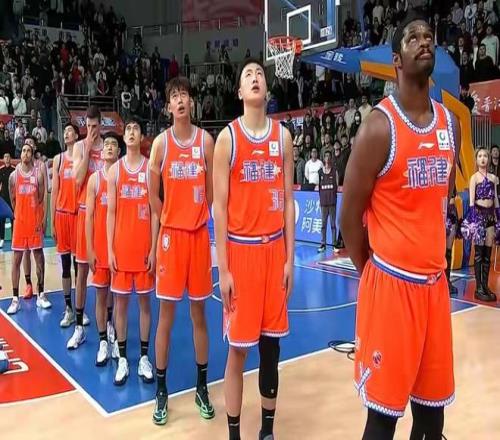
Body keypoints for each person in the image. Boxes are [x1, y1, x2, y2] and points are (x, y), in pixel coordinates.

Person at [341, 13, 459, 439]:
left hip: (434, 287)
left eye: (429, 36)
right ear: (396, 59)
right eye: (413, 38)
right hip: (391, 287)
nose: (424, 41)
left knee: (432, 418)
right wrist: (371, 273)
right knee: (383, 418)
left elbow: (442, 196)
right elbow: (348, 217)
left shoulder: (449, 123)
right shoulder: (378, 127)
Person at [213, 58, 295, 440]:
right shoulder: (228, 138)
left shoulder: (283, 138)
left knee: (271, 348)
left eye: (259, 73)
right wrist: (224, 269)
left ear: (267, 87)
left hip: (274, 251)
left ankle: (267, 432)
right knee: (238, 350)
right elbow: (219, 208)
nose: (255, 77)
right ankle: (234, 435)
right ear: (240, 92)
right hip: (242, 253)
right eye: (248, 75)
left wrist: (290, 260)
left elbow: (288, 199)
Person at [149, 77, 215, 424]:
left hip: (199, 237)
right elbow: (152, 193)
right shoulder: (161, 144)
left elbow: (212, 191)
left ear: (191, 102)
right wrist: (170, 220)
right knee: (166, 317)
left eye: (184, 95)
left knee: (199, 315)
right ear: (168, 106)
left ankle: (202, 387)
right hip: (172, 239)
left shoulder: (206, 141)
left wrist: (195, 215)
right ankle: (161, 392)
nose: (179, 100)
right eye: (174, 95)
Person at [107, 117, 154, 385]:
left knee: (145, 304)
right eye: (128, 129)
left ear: (142, 136)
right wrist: (110, 249)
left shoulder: (150, 169)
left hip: (144, 249)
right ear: (124, 138)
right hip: (122, 249)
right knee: (121, 305)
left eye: (136, 129)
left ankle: (144, 357)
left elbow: (155, 213)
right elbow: (111, 213)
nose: (132, 132)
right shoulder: (115, 171)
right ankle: (123, 358)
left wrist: (154, 247)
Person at [67, 106, 104, 349]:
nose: (91, 130)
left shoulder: (109, 146)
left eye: (94, 126)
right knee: (81, 272)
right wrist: (89, 148)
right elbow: (78, 179)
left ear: (100, 124)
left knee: (107, 273)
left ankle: (108, 326)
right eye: (88, 127)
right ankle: (79, 326)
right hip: (84, 213)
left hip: (105, 215)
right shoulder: (80, 147)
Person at [86, 132, 121, 366]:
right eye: (106, 144)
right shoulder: (95, 180)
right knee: (101, 295)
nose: (109, 147)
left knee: (118, 297)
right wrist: (89, 249)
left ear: (119, 151)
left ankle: (116, 338)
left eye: (113, 144)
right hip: (99, 248)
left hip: (120, 248)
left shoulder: (124, 178)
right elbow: (88, 217)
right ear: (101, 151)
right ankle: (102, 342)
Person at [7, 142, 48, 314]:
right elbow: (12, 199)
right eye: (23, 150)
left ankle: (41, 294)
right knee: (16, 260)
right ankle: (15, 298)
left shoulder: (38, 174)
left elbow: (40, 197)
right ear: (21, 154)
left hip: (34, 223)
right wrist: (20, 213)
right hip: (20, 223)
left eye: (28, 151)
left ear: (32, 155)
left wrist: (38, 218)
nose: (25, 153)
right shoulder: (13, 176)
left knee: (38, 257)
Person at [461, 148, 499, 302]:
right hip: (478, 215)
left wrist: (498, 215)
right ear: (476, 160)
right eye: (480, 156)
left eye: (485, 156)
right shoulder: (474, 178)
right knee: (479, 253)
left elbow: (495, 198)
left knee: (487, 254)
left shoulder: (493, 178)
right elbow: (471, 201)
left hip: (490, 216)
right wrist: (473, 220)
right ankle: (478, 288)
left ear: (488, 159)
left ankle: (485, 285)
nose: (483, 159)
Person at [51, 123, 80, 327]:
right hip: (62, 215)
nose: (67, 133)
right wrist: (52, 221)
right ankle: (68, 308)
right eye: (65, 131)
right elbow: (54, 191)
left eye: (70, 131)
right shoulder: (58, 159)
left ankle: (80, 309)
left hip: (78, 215)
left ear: (77, 136)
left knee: (79, 267)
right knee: (65, 265)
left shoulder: (81, 158)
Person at [20, 136, 48, 303]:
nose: (28, 147)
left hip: (37, 215)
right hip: (24, 217)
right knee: (25, 250)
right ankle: (28, 284)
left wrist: (44, 217)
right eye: (26, 145)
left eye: (31, 144)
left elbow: (44, 194)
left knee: (38, 252)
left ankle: (41, 288)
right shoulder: (20, 168)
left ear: (34, 148)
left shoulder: (41, 166)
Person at [317, 150, 339, 253]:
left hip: (332, 202)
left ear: (331, 158)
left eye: (329, 156)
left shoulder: (335, 171)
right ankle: (323, 244)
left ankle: (334, 244)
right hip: (323, 202)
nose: (327, 158)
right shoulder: (320, 172)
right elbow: (319, 186)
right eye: (325, 156)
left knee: (333, 224)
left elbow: (337, 186)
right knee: (323, 224)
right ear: (323, 158)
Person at [445, 187, 459, 296]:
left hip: (452, 211)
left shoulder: (452, 179)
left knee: (448, 250)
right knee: (442, 250)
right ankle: (442, 282)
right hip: (442, 211)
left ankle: (447, 280)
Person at [0, 153, 15, 249]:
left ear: (10, 159)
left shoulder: (14, 170)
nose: (7, 158)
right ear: (3, 159)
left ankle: (14, 239)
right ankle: (2, 239)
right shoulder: (1, 170)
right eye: (5, 157)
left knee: (13, 218)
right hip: (3, 198)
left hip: (12, 198)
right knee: (1, 220)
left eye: (8, 157)